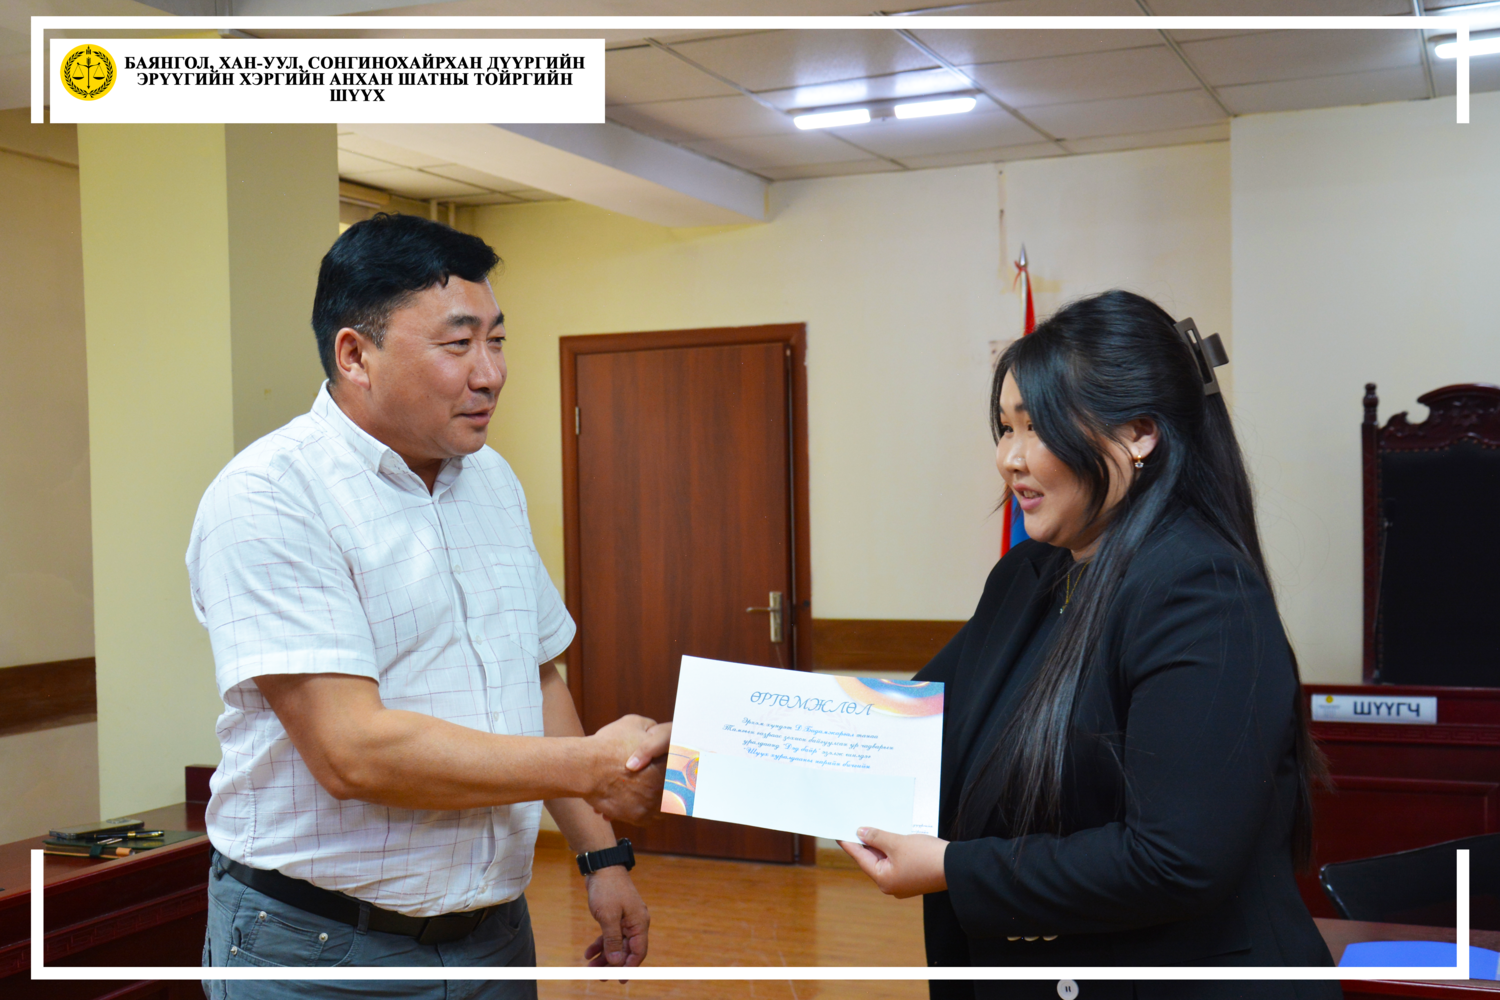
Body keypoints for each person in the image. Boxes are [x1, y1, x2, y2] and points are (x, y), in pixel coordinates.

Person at [187, 213, 669, 998]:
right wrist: (591, 765)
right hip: (320, 949)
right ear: (356, 355)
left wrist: (601, 855)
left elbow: (533, 679)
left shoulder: (492, 481)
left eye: (497, 341)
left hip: (493, 934)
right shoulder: (270, 496)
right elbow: (352, 751)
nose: (491, 374)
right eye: (458, 344)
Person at [840, 291, 1340, 1000]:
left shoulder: (1200, 591)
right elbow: (908, 726)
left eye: (1037, 427)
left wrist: (953, 868)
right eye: (1005, 428)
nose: (1008, 458)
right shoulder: (1027, 575)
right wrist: (715, 744)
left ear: (1139, 433)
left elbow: (1175, 860)